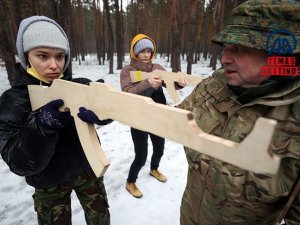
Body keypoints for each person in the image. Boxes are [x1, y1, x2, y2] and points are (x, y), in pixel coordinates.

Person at [177, 0, 300, 224]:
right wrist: (109, 109)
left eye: (239, 48)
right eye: (225, 47)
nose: (224, 59)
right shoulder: (214, 85)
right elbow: (173, 119)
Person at [0, 16, 111, 225]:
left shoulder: (77, 86)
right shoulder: (13, 101)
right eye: (43, 56)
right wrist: (41, 124)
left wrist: (105, 109)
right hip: (48, 181)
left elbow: (109, 109)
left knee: (100, 218)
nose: (54, 65)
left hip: (87, 169)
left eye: (60, 56)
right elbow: (17, 161)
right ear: (26, 56)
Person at [120, 34, 187, 198]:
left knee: (159, 148)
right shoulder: (127, 71)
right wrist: (146, 83)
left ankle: (154, 169)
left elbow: (169, 83)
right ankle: (130, 181)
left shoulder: (156, 67)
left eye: (149, 51)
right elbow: (126, 92)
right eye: (142, 51)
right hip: (138, 117)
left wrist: (179, 82)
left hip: (157, 115)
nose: (146, 54)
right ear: (135, 52)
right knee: (141, 155)